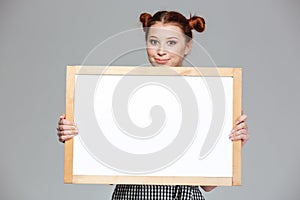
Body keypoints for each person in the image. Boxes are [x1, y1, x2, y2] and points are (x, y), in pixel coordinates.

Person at [56, 10, 249, 200]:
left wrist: (232, 144)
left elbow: (208, 185)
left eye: (172, 43)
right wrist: (76, 136)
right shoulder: (119, 93)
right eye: (154, 41)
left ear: (188, 45)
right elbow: (106, 169)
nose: (161, 51)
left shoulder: (211, 97)